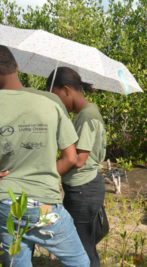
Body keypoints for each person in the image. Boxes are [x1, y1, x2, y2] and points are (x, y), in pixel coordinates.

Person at [0, 45, 90, 266]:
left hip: (5, 203)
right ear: (17, 66)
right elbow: (70, 158)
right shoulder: (50, 102)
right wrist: (45, 173)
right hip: (43, 207)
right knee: (80, 262)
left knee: (16, 261)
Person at [47, 67, 107, 267]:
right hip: (85, 188)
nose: (58, 103)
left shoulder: (86, 116)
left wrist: (45, 172)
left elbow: (77, 159)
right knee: (84, 245)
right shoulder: (86, 112)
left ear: (66, 90)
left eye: (56, 97)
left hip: (83, 190)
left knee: (81, 250)